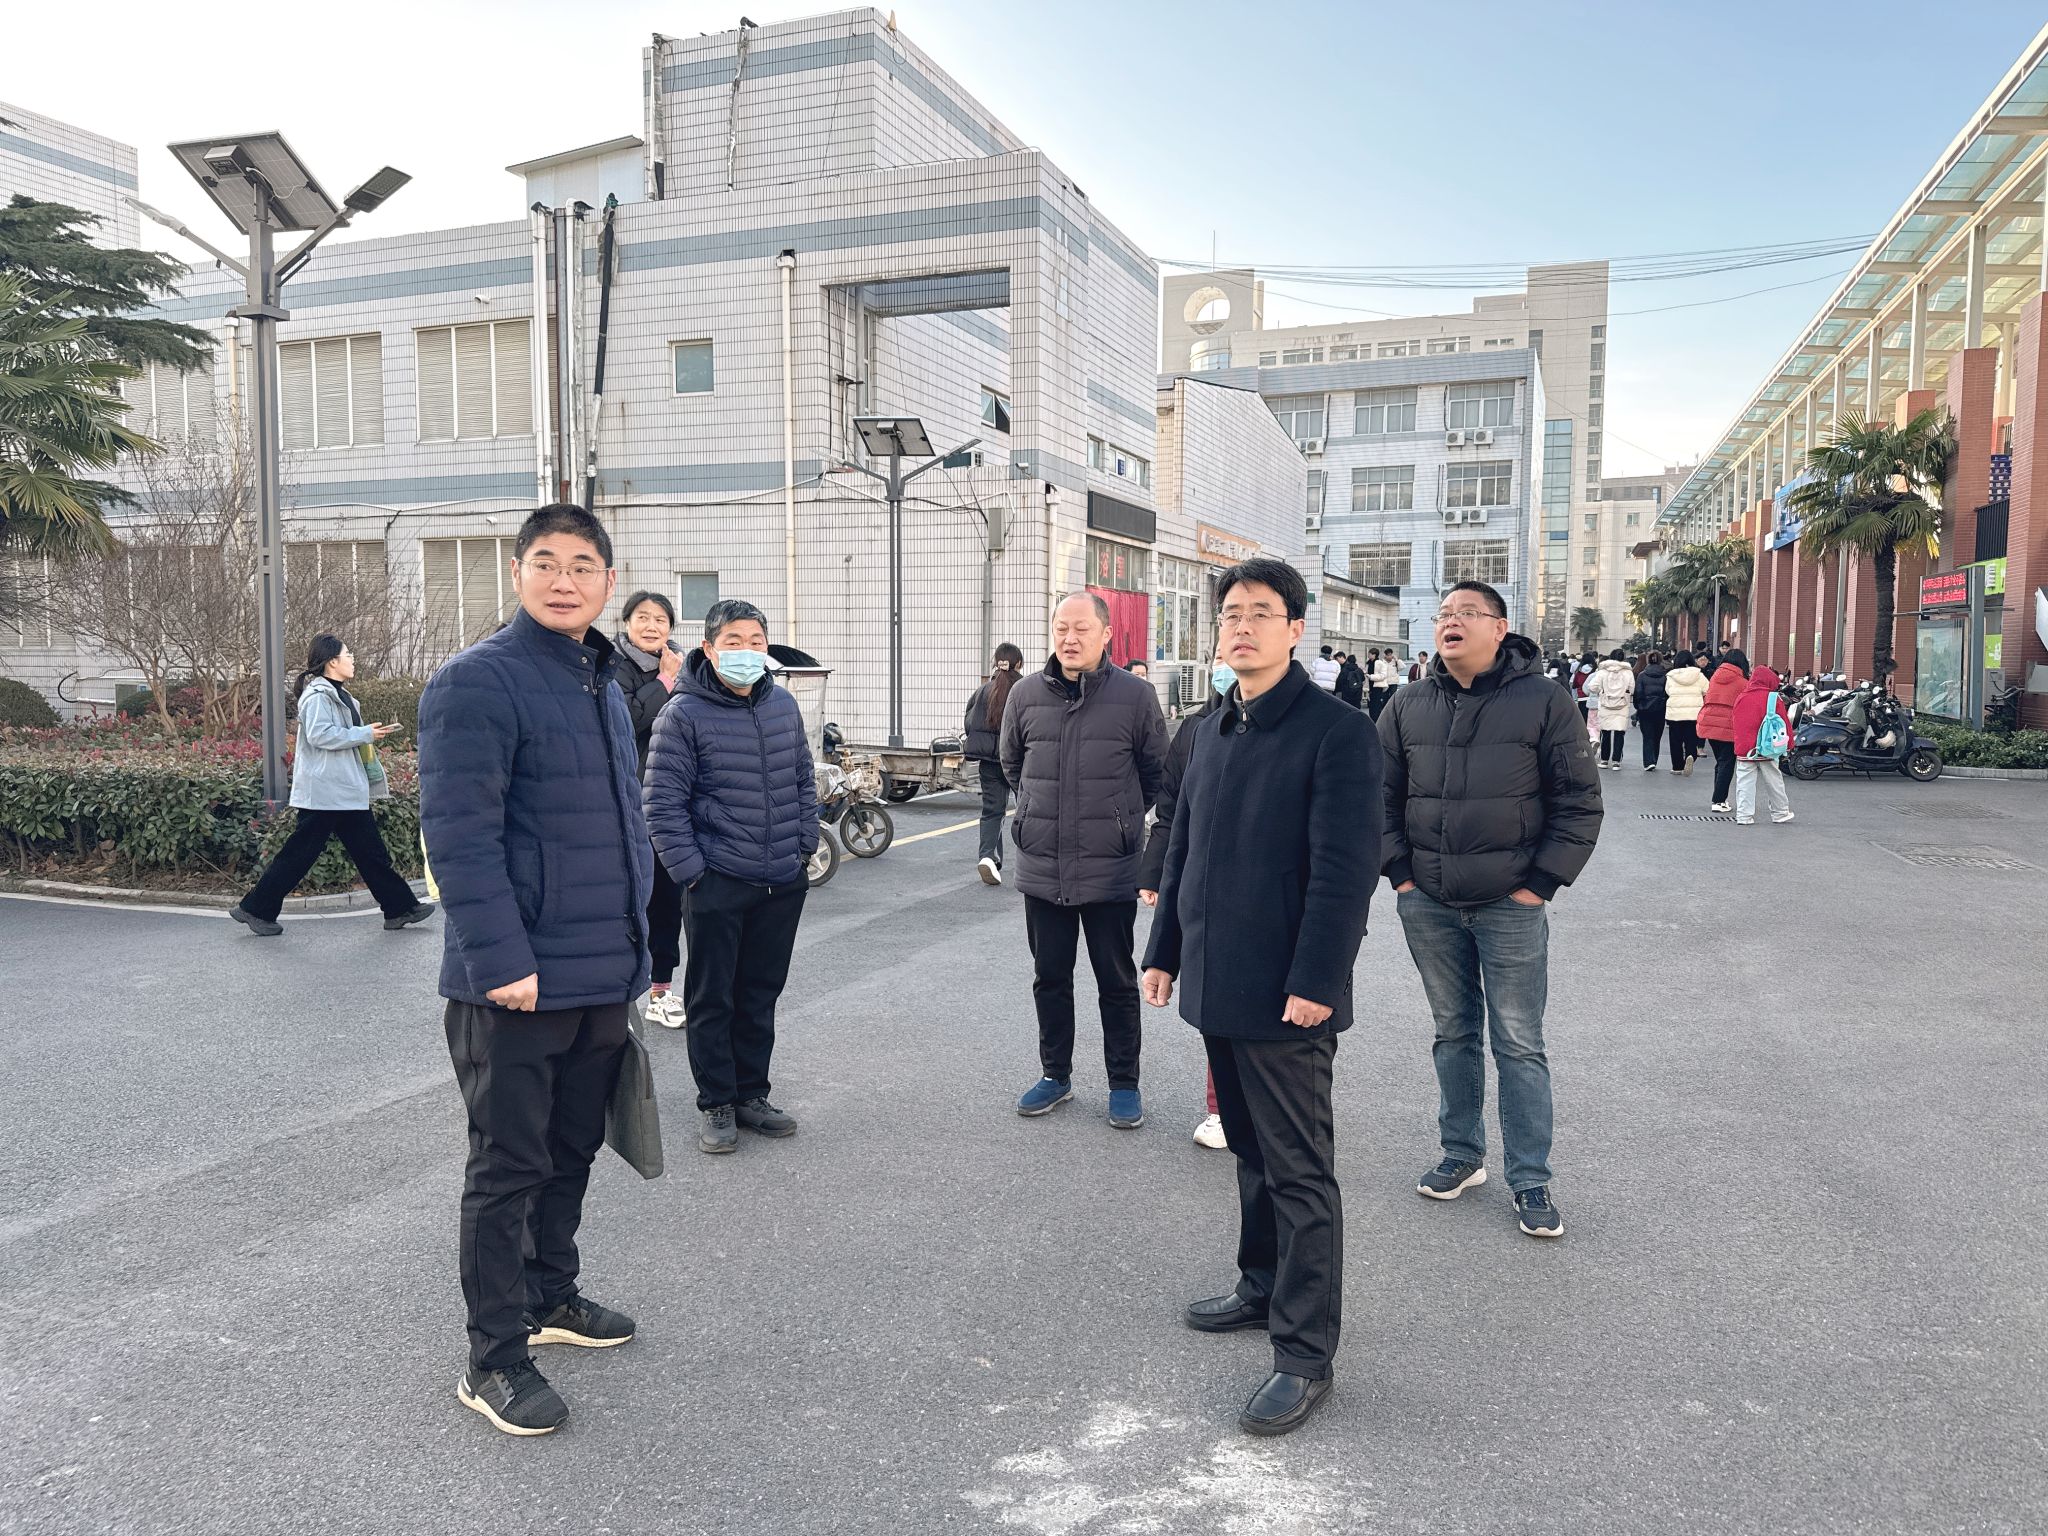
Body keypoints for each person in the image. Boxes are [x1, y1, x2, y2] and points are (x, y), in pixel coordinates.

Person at [419, 503, 649, 1438]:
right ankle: (495, 1358)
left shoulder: (603, 682)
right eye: (546, 562)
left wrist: (640, 954)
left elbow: (621, 831)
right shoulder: (477, 682)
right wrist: (502, 959)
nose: (565, 580)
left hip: (599, 973)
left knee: (572, 1148)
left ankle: (552, 1295)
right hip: (516, 982)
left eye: (583, 565)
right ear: (517, 573)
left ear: (606, 582)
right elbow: (459, 837)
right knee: (507, 1166)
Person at [1141, 556, 1380, 1438]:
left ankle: (1305, 1354)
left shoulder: (1337, 732)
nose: (1242, 626)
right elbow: (1183, 849)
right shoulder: (1210, 729)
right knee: (1248, 1148)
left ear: (1296, 629)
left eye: (1261, 612)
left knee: (1299, 1170)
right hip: (1217, 978)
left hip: (1288, 996)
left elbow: (1345, 873)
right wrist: (1164, 952)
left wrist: (1317, 980)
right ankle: (1260, 1284)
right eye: (1231, 613)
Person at [1379, 580, 1603, 1241]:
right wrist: (1401, 876)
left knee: (1519, 1042)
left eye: (1466, 613)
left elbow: (1579, 802)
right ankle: (1462, 1152)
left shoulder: (1545, 700)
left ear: (1500, 629)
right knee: (1453, 1032)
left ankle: (1530, 1178)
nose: (1450, 621)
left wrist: (1540, 885)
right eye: (1444, 613)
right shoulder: (1407, 703)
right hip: (1428, 901)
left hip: (1511, 902)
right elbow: (1377, 796)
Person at [644, 599, 818, 1155]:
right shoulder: (682, 715)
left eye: (756, 642)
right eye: (734, 642)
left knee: (760, 992)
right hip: (718, 879)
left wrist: (803, 846)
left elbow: (803, 779)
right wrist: (694, 874)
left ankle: (751, 1093)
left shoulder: (782, 705)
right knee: (713, 996)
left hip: (780, 879)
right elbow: (662, 806)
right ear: (709, 649)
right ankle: (716, 1100)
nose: (747, 651)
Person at [1001, 593, 1167, 1129]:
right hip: (1042, 865)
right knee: (1050, 977)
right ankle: (1056, 1075)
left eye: (1081, 629)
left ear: (1106, 635)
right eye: (1061, 628)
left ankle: (1124, 1083)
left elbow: (1155, 774)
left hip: (1110, 866)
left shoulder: (1136, 696)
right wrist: (1036, 812)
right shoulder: (1025, 694)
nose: (1069, 639)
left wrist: (1120, 820)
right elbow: (1012, 765)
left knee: (1116, 981)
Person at [231, 634, 435, 938]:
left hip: (343, 790)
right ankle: (255, 909)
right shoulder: (317, 696)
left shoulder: (341, 696)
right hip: (325, 792)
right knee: (300, 855)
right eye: (347, 654)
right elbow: (320, 735)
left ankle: (400, 908)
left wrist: (365, 734)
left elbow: (339, 735)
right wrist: (363, 734)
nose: (352, 659)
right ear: (331, 662)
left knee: (370, 853)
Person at [1137, 646, 1234, 1151]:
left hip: (1270, 894)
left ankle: (1275, 1106)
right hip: (1203, 887)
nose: (1225, 664)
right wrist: (1154, 874)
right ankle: (1221, 1109)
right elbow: (1171, 812)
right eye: (1219, 654)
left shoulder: (1314, 725)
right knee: (1214, 1001)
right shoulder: (1196, 729)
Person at [616, 591, 687, 1029]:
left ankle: (661, 991)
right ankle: (618, 998)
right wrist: (663, 682)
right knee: (625, 900)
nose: (651, 626)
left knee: (666, 899)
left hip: (670, 798)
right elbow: (625, 721)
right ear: (626, 623)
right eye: (642, 617)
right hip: (625, 800)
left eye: (660, 619)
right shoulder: (612, 667)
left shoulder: (684, 666)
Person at [965, 643, 1026, 886]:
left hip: (989, 763)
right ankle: (1030, 860)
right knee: (1029, 811)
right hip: (1021, 762)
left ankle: (988, 857)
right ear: (1018, 663)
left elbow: (969, 723)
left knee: (992, 811)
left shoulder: (982, 691)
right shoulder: (1026, 690)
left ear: (996, 662)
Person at [1732, 664, 1796, 827]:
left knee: (1744, 782)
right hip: (1768, 747)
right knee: (1774, 780)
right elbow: (1783, 723)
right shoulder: (1773, 698)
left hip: (1746, 748)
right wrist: (1789, 743)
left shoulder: (1742, 697)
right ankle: (1780, 812)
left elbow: (1736, 722)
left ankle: (1744, 816)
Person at [1696, 647, 1750, 814]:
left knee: (1721, 762)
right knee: (1727, 762)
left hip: (1709, 722)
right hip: (1729, 725)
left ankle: (1719, 798)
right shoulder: (1743, 683)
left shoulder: (1715, 677)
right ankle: (1718, 800)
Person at [1589, 649, 1636, 770]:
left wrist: (1601, 691)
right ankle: (1616, 761)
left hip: (1606, 704)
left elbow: (1592, 687)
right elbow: (1632, 689)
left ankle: (1604, 760)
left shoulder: (1602, 671)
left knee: (1605, 732)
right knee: (1620, 733)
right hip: (1622, 704)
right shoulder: (1628, 672)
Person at [1664, 650, 1708, 774]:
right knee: (1691, 739)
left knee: (1675, 741)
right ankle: (1691, 756)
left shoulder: (1671, 676)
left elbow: (1668, 691)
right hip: (1693, 713)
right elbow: (1707, 690)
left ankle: (1677, 767)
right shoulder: (1699, 675)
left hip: (1675, 712)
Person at [1634, 651, 1669, 772]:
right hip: (1660, 709)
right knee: (1657, 736)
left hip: (1645, 710)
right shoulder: (1665, 676)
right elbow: (1667, 693)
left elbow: (1638, 693)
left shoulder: (1642, 675)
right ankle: (1654, 759)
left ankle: (1648, 761)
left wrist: (1639, 706)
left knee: (1647, 736)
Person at [1369, 648, 1399, 719]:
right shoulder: (1382, 662)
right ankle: (1384, 712)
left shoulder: (1394, 662)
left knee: (1392, 698)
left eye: (1390, 655)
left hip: (1393, 682)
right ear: (1385, 655)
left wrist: (1397, 660)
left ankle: (1391, 712)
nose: (1389, 656)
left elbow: (1402, 667)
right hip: (1385, 683)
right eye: (1387, 655)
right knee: (1384, 699)